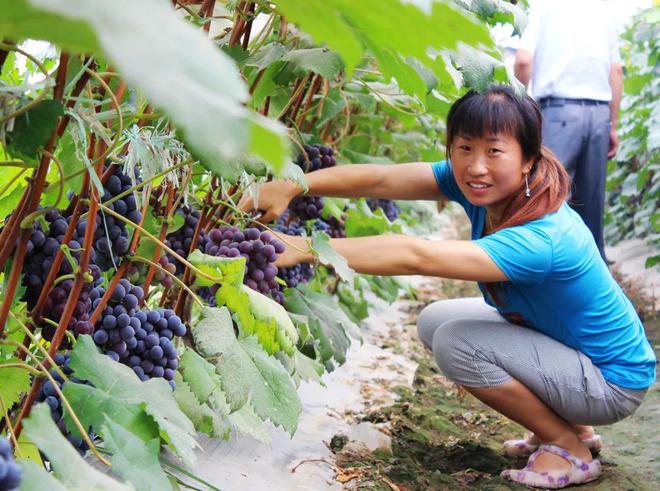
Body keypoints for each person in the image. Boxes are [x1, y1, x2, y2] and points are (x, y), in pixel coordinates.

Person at [238, 85, 655, 489]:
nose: (476, 165)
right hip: (576, 355)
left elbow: (418, 256)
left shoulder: (543, 237)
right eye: (465, 147)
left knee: (457, 343)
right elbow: (382, 180)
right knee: (438, 320)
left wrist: (306, 248)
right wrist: (295, 184)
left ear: (528, 158)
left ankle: (568, 448)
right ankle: (571, 428)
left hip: (610, 383)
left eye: (494, 150)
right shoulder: (487, 187)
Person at [514, 0, 624, 263]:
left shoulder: (542, 7)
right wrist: (613, 124)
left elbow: (523, 61)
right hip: (598, 115)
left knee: (549, 198)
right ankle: (594, 275)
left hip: (558, 111)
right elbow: (616, 71)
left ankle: (547, 269)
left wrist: (517, 108)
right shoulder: (603, 11)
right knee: (590, 203)